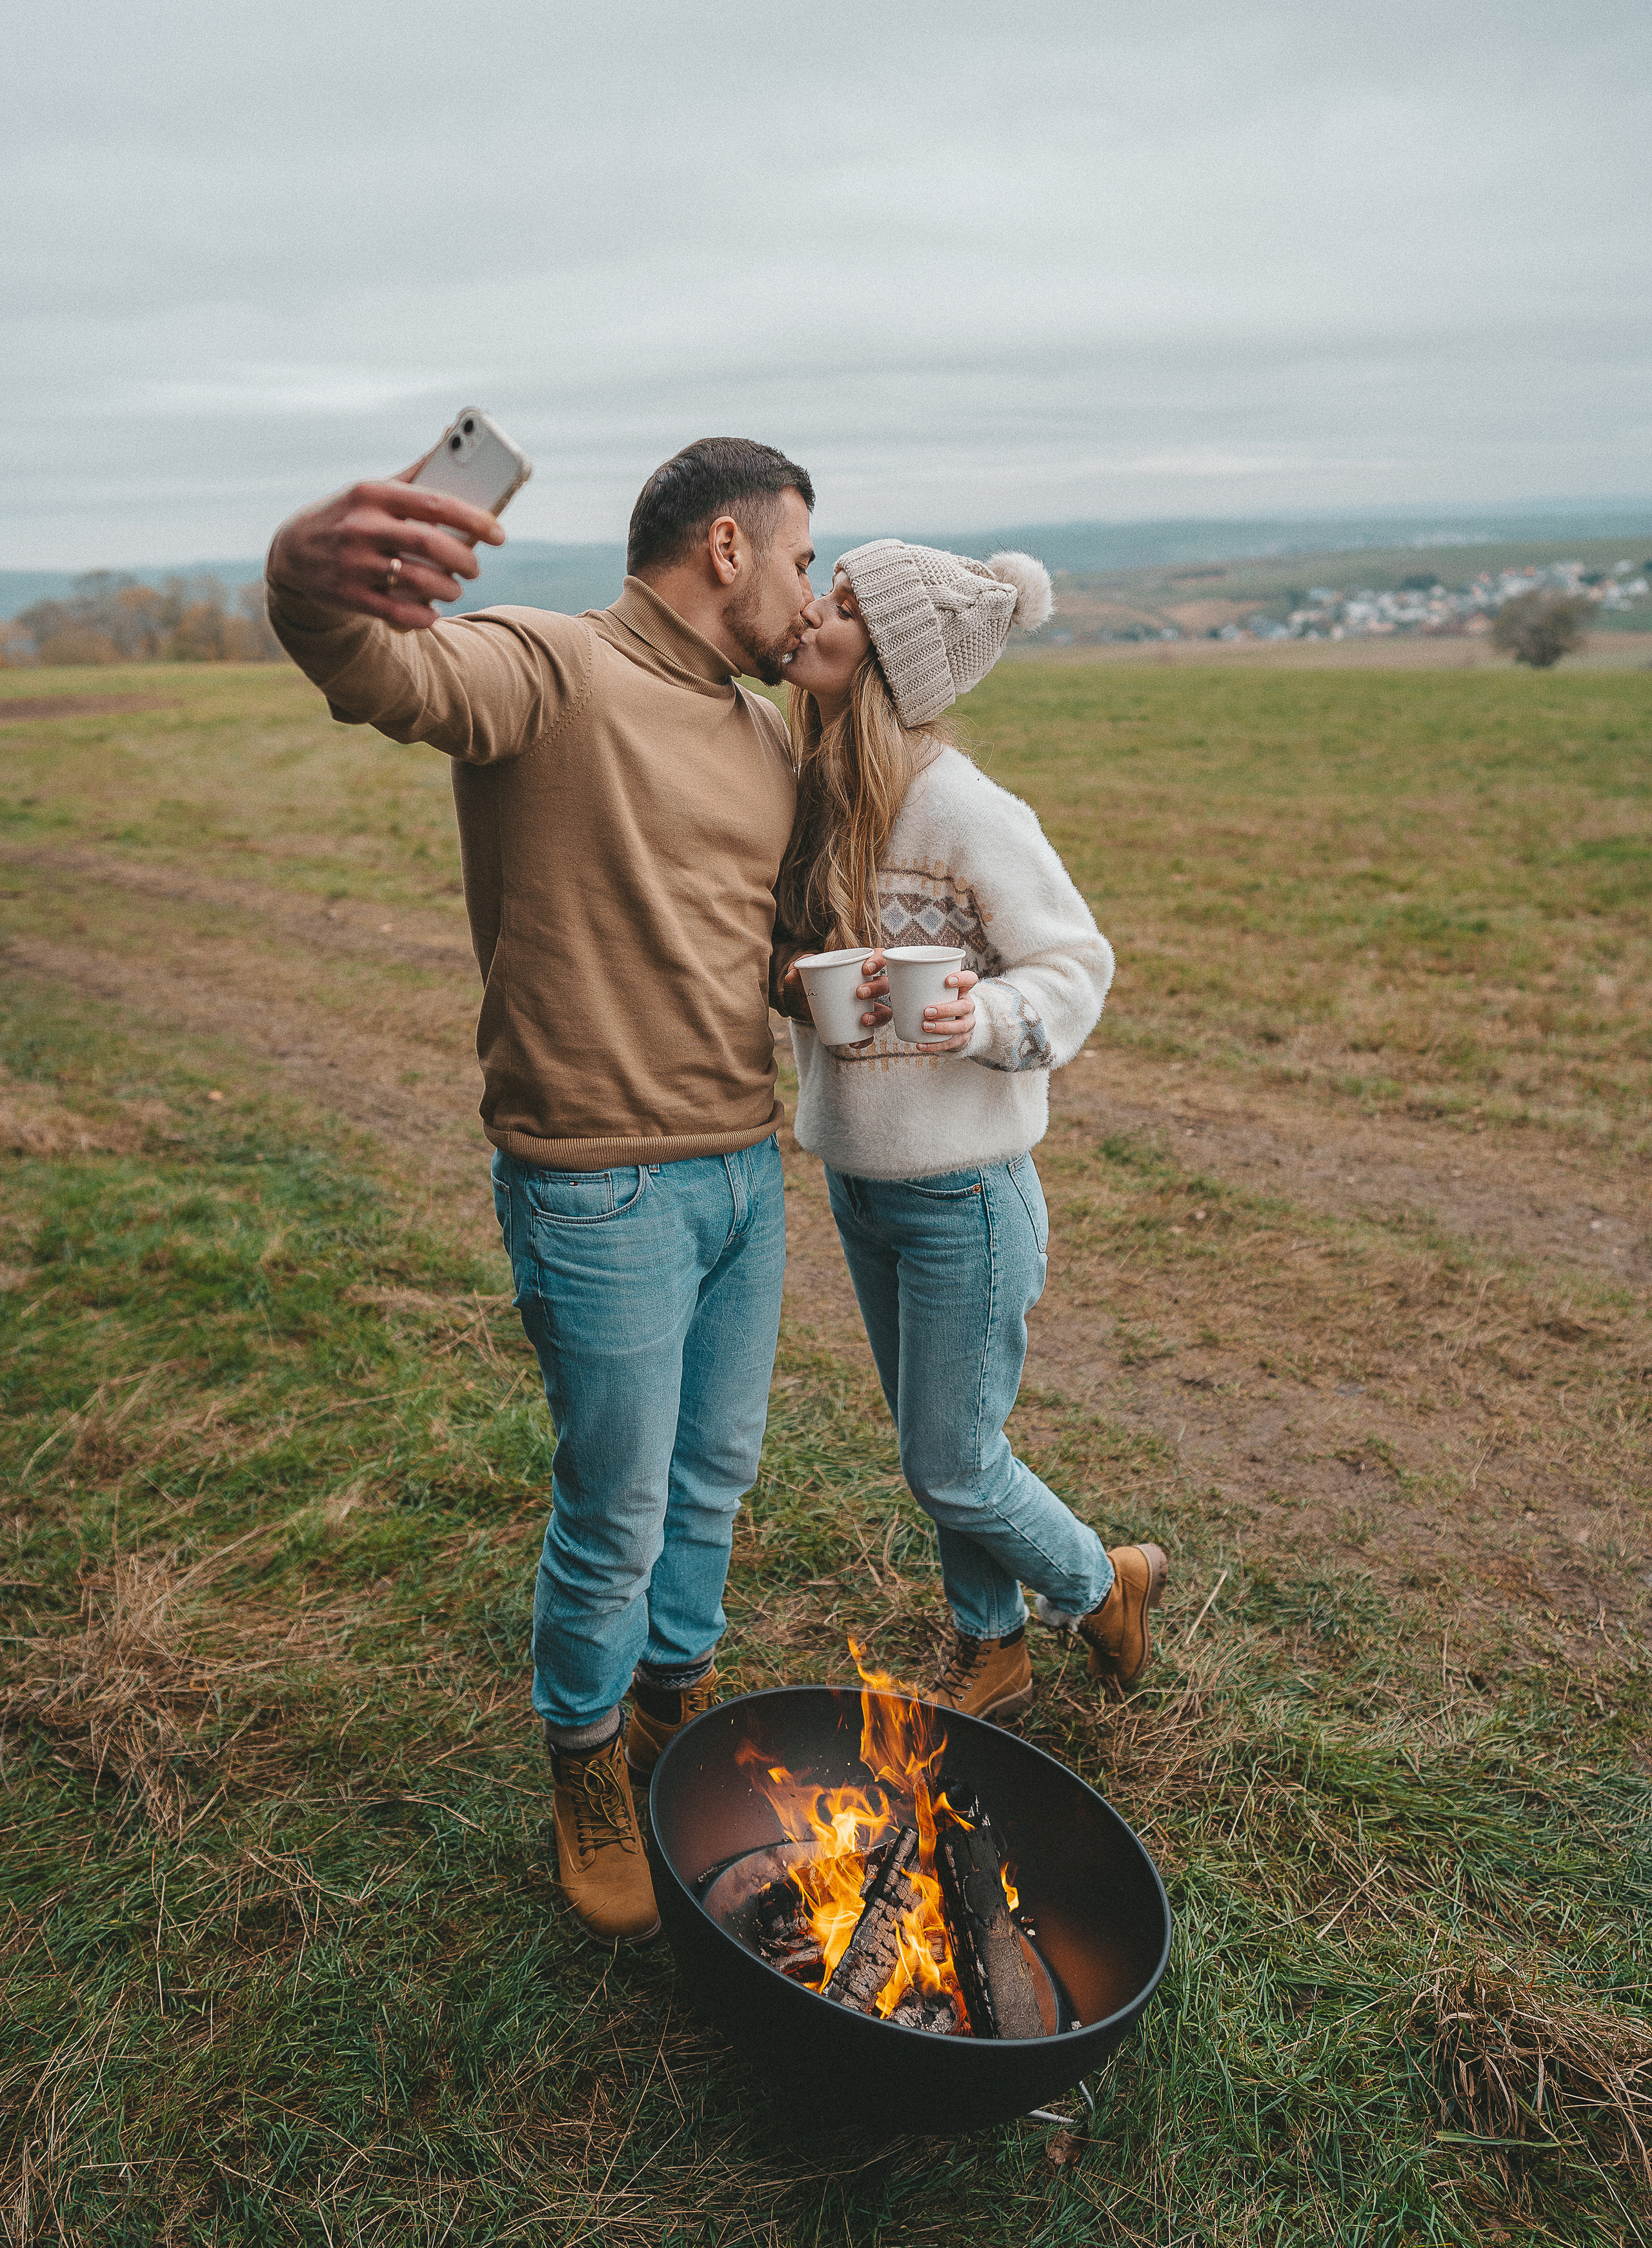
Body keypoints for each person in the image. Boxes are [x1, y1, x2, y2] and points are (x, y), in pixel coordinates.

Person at [263, 436, 861, 1947]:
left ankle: (674, 1708)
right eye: (800, 557)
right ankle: (584, 1760)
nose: (809, 592)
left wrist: (831, 988)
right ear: (726, 547)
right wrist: (305, 582)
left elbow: (740, 935)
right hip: (599, 1193)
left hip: (744, 1169)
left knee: (714, 1478)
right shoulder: (551, 667)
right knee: (617, 1507)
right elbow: (388, 676)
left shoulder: (759, 737)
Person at [774, 541, 1168, 1721]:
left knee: (950, 1458)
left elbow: (1076, 965)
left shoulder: (961, 805)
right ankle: (991, 1644)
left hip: (966, 1194)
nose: (811, 611)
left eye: (841, 606)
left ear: (889, 657)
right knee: (944, 1444)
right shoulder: (815, 792)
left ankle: (1104, 1588)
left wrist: (986, 1014)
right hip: (862, 1180)